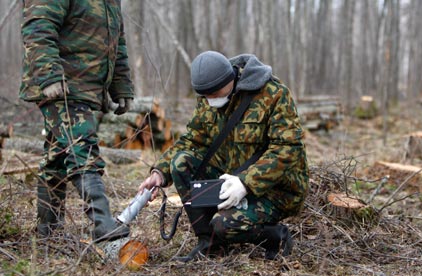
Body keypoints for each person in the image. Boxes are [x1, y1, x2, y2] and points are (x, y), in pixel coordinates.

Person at [138, 51, 309, 261]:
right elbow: (193, 139)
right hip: (229, 178)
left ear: (231, 80)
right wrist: (160, 172)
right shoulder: (208, 97)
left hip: (275, 189)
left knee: (223, 224)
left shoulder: (273, 94)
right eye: (205, 95)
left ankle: (276, 236)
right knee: (181, 162)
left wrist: (246, 183)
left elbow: (288, 148)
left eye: (216, 92)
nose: (211, 99)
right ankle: (209, 243)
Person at [20, 0, 134, 242]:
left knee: (57, 159)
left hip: (87, 88)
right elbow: (37, 28)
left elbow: (116, 42)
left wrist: (121, 85)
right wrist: (49, 75)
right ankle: (102, 223)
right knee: (82, 147)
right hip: (61, 86)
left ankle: (47, 233)